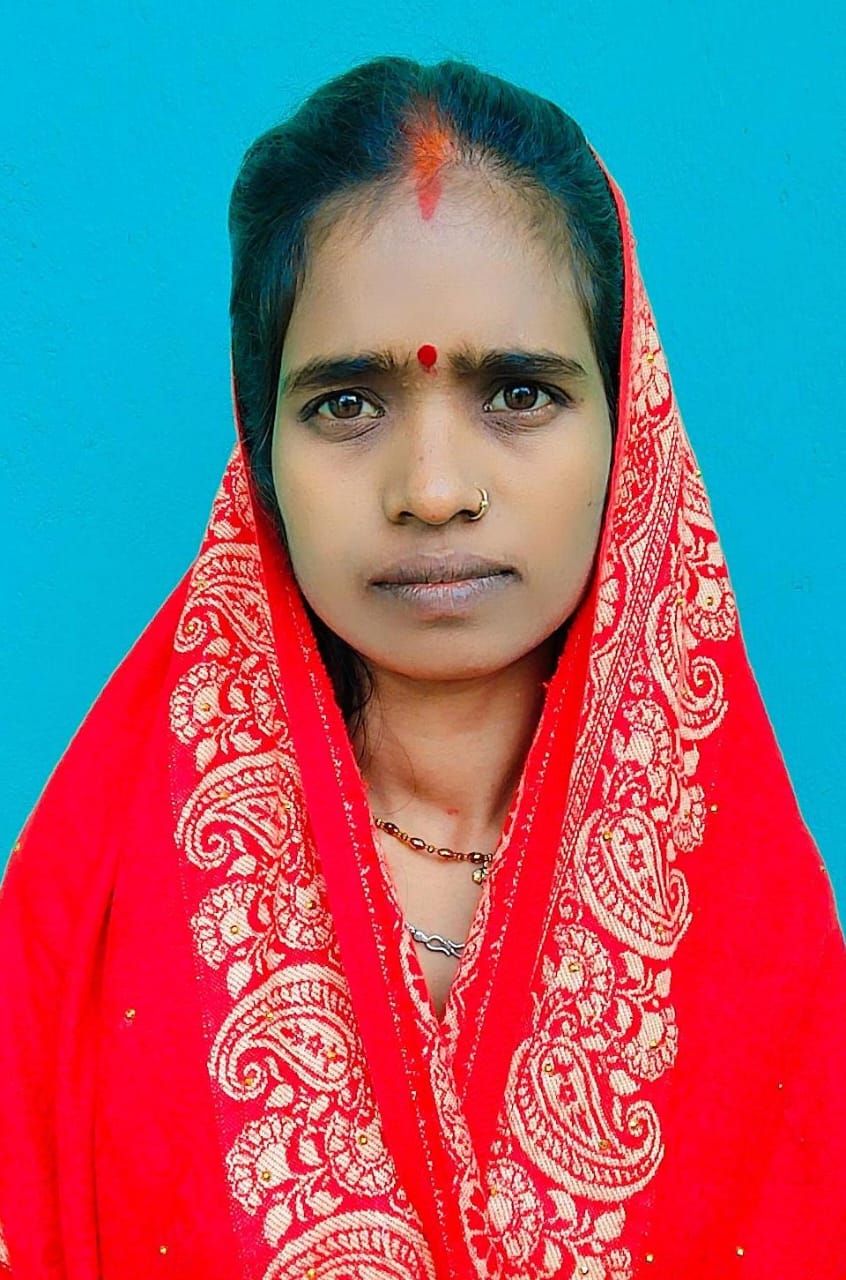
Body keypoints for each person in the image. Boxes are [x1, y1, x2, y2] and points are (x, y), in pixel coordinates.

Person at [0, 54, 843, 1280]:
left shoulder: (758, 932)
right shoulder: (88, 908)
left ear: (631, 425)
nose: (435, 490)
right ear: (261, 445)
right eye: (347, 403)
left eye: (520, 392)